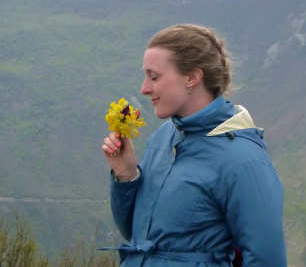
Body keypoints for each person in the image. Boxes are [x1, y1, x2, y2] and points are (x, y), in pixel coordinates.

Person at [101, 24, 287, 266]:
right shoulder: (162, 138)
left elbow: (267, 260)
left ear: (192, 77)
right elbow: (136, 235)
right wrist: (126, 176)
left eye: (154, 76)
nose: (144, 88)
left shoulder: (245, 161)